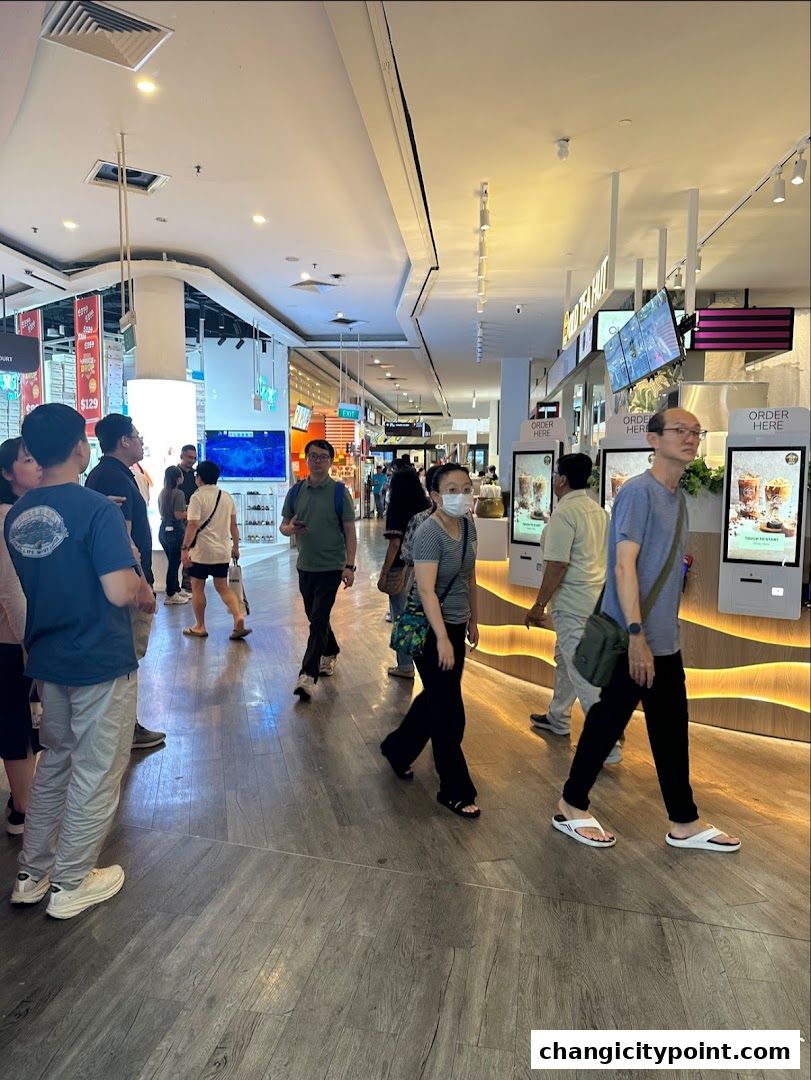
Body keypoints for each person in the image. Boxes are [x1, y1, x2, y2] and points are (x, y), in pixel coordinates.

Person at [553, 409, 740, 852]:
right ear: (653, 439)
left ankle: (684, 821)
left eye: (697, 432)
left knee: (669, 726)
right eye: (680, 431)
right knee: (607, 721)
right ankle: (571, 804)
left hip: (662, 640)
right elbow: (624, 564)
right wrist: (636, 635)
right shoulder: (638, 493)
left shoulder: (676, 497)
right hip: (632, 638)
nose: (691, 438)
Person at [6, 403, 156, 918]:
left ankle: (32, 873)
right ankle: (72, 881)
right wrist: (139, 583)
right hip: (98, 656)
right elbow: (118, 591)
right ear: (79, 448)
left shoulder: (20, 514)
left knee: (56, 764)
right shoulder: (97, 509)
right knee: (97, 767)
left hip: (47, 656)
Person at [380, 464, 480, 819]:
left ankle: (397, 747)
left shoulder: (469, 526)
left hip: (455, 623)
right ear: (435, 496)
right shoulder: (428, 532)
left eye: (466, 488)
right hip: (429, 627)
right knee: (448, 708)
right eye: (452, 489)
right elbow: (424, 590)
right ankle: (454, 787)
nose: (462, 495)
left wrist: (473, 620)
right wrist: (441, 638)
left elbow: (470, 576)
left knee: (437, 697)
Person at [525, 453, 622, 765]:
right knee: (566, 661)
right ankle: (558, 717)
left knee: (581, 670)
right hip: (596, 601)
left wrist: (539, 605)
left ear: (562, 479)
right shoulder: (598, 511)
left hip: (571, 603)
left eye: (555, 474)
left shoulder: (564, 514)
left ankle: (607, 743)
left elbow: (558, 564)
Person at [85, 413, 165, 751]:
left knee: (126, 657)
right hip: (126, 588)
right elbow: (123, 541)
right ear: (123, 441)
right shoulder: (113, 478)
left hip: (119, 585)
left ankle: (120, 727)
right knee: (127, 657)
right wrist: (141, 585)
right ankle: (123, 729)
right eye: (137, 435)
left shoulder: (109, 474)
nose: (141, 440)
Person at [280, 439, 357, 701]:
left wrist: (349, 565)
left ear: (330, 461)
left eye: (323, 457)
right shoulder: (296, 491)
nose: (317, 461)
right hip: (305, 565)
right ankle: (331, 649)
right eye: (313, 456)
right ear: (307, 459)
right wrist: (291, 529)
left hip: (331, 566)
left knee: (319, 618)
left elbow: (350, 530)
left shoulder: (338, 492)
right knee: (315, 616)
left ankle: (307, 675)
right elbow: (283, 525)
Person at [0, 438, 43, 835]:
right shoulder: (8, 517)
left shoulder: (22, 513)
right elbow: (12, 591)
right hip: (10, 642)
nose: (36, 465)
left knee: (19, 720)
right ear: (8, 473)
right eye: (27, 461)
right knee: (15, 720)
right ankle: (22, 809)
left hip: (14, 639)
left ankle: (22, 802)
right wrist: (33, 648)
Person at [180, 460, 250, 640]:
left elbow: (193, 525)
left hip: (201, 552)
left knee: (197, 587)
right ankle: (238, 617)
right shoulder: (226, 497)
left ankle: (200, 626)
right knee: (223, 587)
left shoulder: (197, 497)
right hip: (222, 551)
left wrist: (185, 548)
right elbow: (233, 526)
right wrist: (235, 546)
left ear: (199, 478)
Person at [378, 467, 431, 679]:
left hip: (403, 567)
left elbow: (395, 544)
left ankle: (406, 666)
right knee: (422, 613)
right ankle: (424, 662)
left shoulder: (397, 508)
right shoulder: (426, 506)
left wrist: (385, 570)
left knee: (402, 616)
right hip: (426, 567)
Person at [158, 466, 189, 605]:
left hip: (163, 530)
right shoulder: (178, 494)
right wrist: (191, 513)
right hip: (175, 532)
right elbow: (178, 515)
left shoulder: (163, 493)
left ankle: (175, 588)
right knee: (174, 563)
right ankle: (171, 593)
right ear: (178, 478)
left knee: (173, 562)